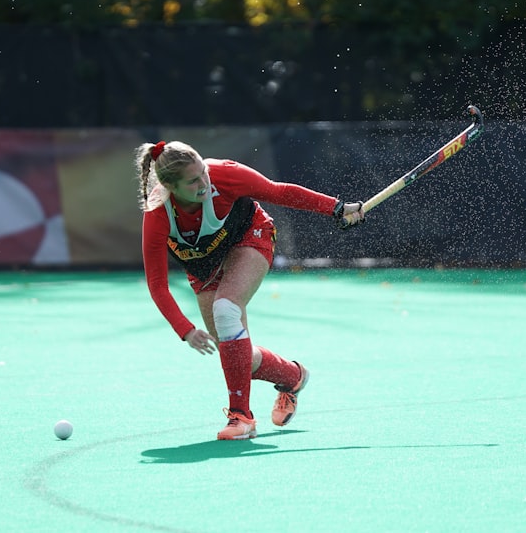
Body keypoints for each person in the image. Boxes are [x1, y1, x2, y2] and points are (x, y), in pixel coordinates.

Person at [137, 140, 365, 440]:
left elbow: (278, 191)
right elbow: (157, 284)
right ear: (170, 187)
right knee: (234, 354)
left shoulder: (225, 175)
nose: (204, 182)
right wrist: (187, 330)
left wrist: (335, 208)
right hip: (203, 268)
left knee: (226, 309)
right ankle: (292, 377)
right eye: (192, 181)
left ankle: (241, 417)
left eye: (203, 172)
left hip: (250, 237)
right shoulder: (158, 214)